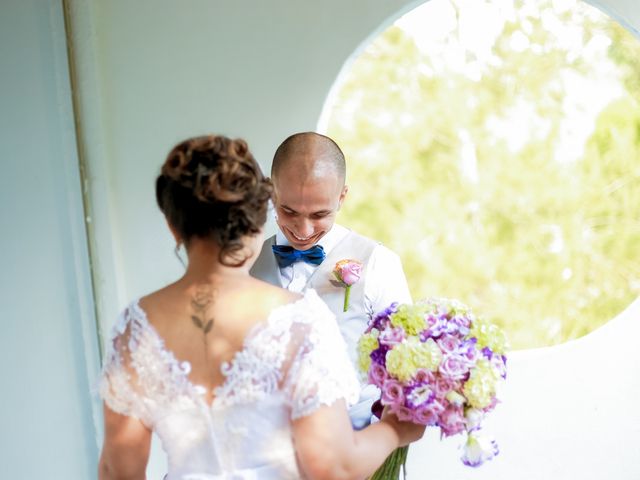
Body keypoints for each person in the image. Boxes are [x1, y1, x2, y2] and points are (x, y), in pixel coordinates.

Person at [98, 135, 424, 480]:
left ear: (171, 225)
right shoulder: (302, 319)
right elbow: (331, 466)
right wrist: (395, 431)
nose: (303, 228)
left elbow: (116, 469)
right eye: (289, 212)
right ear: (262, 211)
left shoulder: (135, 327)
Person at [250, 132, 412, 429]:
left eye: (320, 214)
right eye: (288, 211)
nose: (303, 228)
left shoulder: (379, 263)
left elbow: (405, 371)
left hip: (356, 452)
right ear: (271, 192)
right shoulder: (245, 265)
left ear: (342, 197)